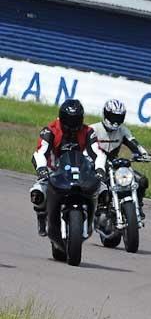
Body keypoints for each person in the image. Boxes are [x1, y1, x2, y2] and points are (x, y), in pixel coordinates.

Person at [30, 99, 106, 237]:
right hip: (54, 172)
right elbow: (40, 152)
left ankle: (99, 218)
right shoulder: (50, 130)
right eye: (69, 120)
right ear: (61, 118)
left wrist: (100, 169)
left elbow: (97, 152)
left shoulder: (88, 131)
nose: (72, 125)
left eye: (76, 120)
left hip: (80, 170)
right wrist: (41, 169)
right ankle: (42, 216)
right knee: (38, 193)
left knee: (104, 190)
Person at [88, 99, 151, 217]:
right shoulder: (93, 129)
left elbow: (134, 143)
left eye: (118, 118)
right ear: (105, 114)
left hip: (113, 166)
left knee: (141, 181)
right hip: (94, 166)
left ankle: (138, 206)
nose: (115, 121)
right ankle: (94, 208)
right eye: (113, 117)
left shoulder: (122, 130)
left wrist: (143, 154)